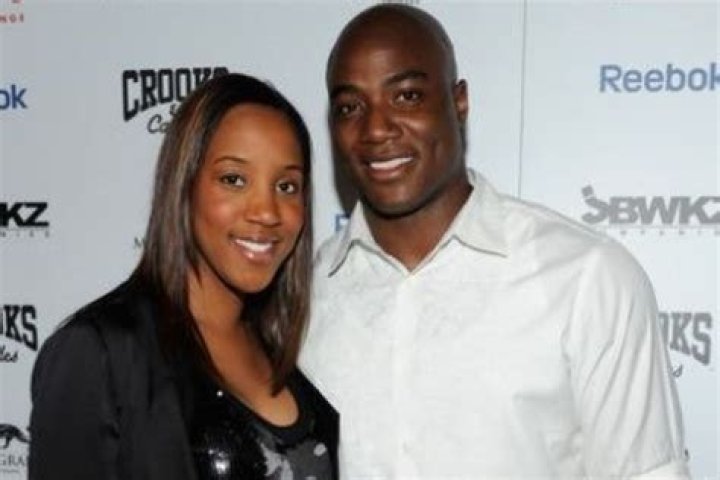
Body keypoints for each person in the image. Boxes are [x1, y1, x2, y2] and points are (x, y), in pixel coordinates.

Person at [300, 4, 689, 478]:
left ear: (459, 102)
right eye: (350, 107)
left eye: (406, 96)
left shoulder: (587, 279)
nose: (376, 129)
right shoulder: (304, 299)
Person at [29, 73, 338, 480]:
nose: (266, 211)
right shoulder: (99, 352)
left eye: (286, 186)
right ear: (183, 185)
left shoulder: (283, 348)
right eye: (234, 179)